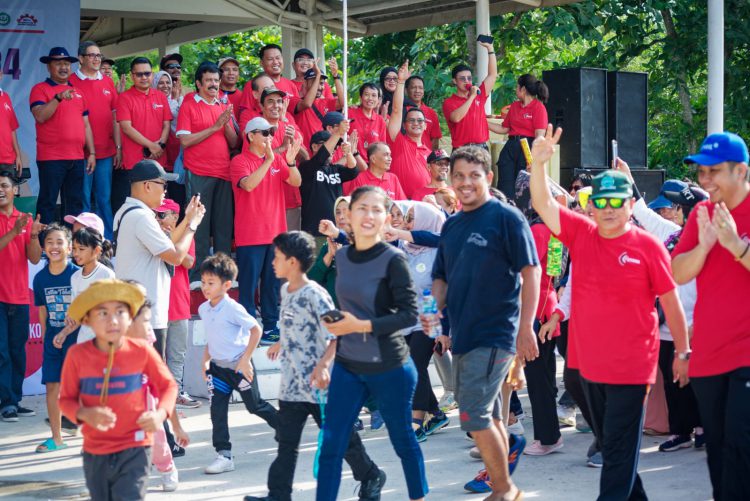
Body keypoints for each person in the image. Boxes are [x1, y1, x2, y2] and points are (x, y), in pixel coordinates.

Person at [530, 125, 690, 501]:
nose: (608, 210)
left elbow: (671, 303)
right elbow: (543, 204)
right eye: (600, 202)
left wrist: (682, 352)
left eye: (617, 202)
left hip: (632, 370)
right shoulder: (581, 234)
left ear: (631, 205)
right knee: (615, 449)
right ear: (590, 205)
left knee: (615, 460)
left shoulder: (648, 247)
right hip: (589, 367)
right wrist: (539, 165)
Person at [429, 146, 538, 500]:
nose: (465, 183)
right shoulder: (454, 225)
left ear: (488, 178)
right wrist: (435, 311)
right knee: (488, 416)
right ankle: (502, 486)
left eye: (474, 175)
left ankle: (505, 489)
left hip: (497, 331)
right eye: (458, 175)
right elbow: (442, 277)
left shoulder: (507, 218)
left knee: (473, 416)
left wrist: (526, 328)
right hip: (463, 333)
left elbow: (531, 272)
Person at [244, 231, 384, 501]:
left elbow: (337, 334)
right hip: (292, 386)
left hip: (319, 387)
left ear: (293, 262)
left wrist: (323, 366)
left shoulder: (315, 295)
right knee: (286, 444)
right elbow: (295, 325)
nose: (272, 262)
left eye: (277, 257)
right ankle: (278, 495)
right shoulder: (286, 290)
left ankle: (371, 475)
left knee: (340, 438)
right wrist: (280, 343)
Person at [316, 185, 425, 501]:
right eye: (361, 208)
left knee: (403, 439)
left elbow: (408, 316)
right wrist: (335, 323)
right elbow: (351, 305)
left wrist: (360, 325)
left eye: (377, 209)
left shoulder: (394, 260)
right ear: (349, 215)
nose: (369, 215)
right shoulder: (345, 256)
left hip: (389, 366)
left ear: (386, 217)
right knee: (332, 444)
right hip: (348, 365)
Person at [671, 132, 750, 500]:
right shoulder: (701, 212)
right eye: (701, 172)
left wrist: (736, 246)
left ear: (741, 172)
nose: (704, 180)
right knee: (717, 449)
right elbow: (678, 272)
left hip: (746, 354)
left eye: (713, 171)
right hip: (709, 355)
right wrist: (704, 246)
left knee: (740, 444)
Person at [59, 279, 178, 501]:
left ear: (130, 316)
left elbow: (168, 386)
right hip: (95, 451)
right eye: (102, 313)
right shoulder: (77, 355)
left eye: (120, 311)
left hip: (136, 447)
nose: (112, 320)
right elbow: (65, 401)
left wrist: (160, 414)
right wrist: (84, 414)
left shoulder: (142, 350)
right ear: (87, 319)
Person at [113, 160, 205, 358]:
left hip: (137, 313)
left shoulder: (128, 212)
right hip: (145, 317)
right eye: (163, 185)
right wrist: (193, 225)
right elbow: (176, 257)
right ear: (147, 186)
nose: (165, 191)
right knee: (149, 383)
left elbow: (167, 243)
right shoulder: (141, 217)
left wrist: (188, 218)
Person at [198, 253, 279, 474]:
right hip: (218, 370)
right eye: (203, 282)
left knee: (255, 406)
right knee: (217, 411)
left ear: (226, 285)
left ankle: (286, 429)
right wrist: (205, 362)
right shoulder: (204, 309)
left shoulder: (233, 308)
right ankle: (224, 455)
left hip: (239, 367)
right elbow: (211, 338)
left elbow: (256, 330)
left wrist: (245, 361)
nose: (205, 287)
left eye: (211, 283)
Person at [230, 117, 302, 345]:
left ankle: (270, 327)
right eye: (265, 133)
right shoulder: (239, 161)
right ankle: (250, 329)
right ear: (250, 136)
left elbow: (297, 182)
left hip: (276, 234)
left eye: (272, 133)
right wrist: (269, 161)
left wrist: (289, 163)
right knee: (249, 285)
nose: (270, 137)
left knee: (271, 285)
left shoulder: (277, 160)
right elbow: (249, 185)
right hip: (250, 236)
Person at [177, 62, 238, 279]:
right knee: (198, 227)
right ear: (198, 83)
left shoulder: (222, 106)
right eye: (209, 80)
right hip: (199, 172)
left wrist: (226, 123)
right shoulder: (189, 105)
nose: (214, 84)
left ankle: (223, 274)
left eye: (216, 80)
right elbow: (184, 140)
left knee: (223, 227)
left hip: (224, 173)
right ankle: (197, 276)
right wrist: (214, 127)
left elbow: (233, 142)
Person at [394, 202, 450, 442]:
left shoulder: (439, 248)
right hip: (406, 317)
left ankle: (416, 421)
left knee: (415, 365)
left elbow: (438, 290)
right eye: (404, 218)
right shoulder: (403, 248)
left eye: (409, 218)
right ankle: (435, 413)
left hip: (429, 317)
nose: (405, 223)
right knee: (407, 366)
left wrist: (442, 330)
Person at [125, 293, 189, 492]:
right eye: (142, 320)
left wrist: (177, 427)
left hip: (147, 405)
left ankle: (167, 468)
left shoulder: (147, 349)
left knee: (158, 441)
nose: (147, 325)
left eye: (147, 320)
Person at [30, 47, 96, 224]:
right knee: (47, 202)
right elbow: (40, 116)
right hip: (51, 157)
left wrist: (92, 153)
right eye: (58, 63)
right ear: (49, 67)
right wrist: (57, 98)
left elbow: (86, 124)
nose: (64, 67)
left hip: (76, 157)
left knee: (75, 204)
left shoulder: (78, 92)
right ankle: (44, 245)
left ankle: (72, 245)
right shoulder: (40, 89)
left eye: (66, 63)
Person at [0, 171, 44, 422]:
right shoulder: (18, 223)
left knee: (17, 351)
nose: (1, 189)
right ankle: (6, 402)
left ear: (14, 190)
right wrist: (13, 231)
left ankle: (14, 400)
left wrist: (34, 235)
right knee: (2, 353)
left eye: (5, 185)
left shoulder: (25, 220)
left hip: (18, 298)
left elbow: (35, 258)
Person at [33, 224, 79, 453]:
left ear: (70, 248)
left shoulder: (77, 275)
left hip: (77, 339)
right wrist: (46, 335)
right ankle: (57, 437)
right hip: (53, 340)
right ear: (43, 247)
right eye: (50, 242)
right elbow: (42, 310)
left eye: (60, 242)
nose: (55, 247)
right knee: (53, 386)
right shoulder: (40, 279)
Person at [70, 41, 120, 240]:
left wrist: (119, 147)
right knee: (82, 199)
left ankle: (106, 240)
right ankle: (82, 240)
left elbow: (115, 116)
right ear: (81, 58)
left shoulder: (107, 81)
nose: (96, 59)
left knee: (104, 199)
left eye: (98, 55)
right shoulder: (72, 81)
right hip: (80, 152)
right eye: (91, 55)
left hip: (106, 151)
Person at [154, 199, 200, 409]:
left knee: (177, 354)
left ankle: (176, 392)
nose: (159, 219)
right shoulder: (151, 234)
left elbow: (189, 262)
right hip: (156, 305)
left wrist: (171, 244)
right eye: (157, 215)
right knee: (156, 354)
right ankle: (158, 395)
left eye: (163, 215)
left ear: (175, 216)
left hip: (178, 303)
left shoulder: (186, 235)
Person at [115, 57, 172, 213]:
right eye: (139, 74)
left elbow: (166, 124)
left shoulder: (160, 96)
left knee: (160, 209)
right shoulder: (125, 98)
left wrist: (160, 145)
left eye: (147, 73)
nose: (144, 77)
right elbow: (126, 127)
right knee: (136, 209)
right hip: (134, 162)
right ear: (132, 76)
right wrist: (151, 145)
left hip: (158, 160)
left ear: (152, 75)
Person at [53, 225, 115, 347]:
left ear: (96, 250)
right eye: (74, 248)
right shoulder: (75, 278)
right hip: (84, 343)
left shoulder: (106, 275)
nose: (76, 253)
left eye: (81, 249)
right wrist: (63, 333)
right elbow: (75, 317)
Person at [490, 74, 549, 200]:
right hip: (511, 146)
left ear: (523, 89)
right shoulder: (514, 106)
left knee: (522, 185)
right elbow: (504, 128)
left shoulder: (539, 108)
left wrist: (533, 158)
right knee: (504, 186)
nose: (515, 90)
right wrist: (483, 122)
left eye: (517, 87)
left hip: (527, 147)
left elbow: (539, 136)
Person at [299, 127, 359, 247]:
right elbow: (320, 157)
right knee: (318, 265)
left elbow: (353, 171)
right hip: (315, 232)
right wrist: (338, 133)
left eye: (335, 147)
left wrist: (348, 154)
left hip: (336, 231)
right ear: (315, 147)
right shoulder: (306, 167)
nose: (333, 150)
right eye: (329, 145)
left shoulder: (336, 169)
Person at [386, 61, 431, 200]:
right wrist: (400, 82)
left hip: (424, 205)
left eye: (420, 121)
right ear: (404, 125)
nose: (416, 123)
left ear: (425, 126)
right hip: (400, 204)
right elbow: (396, 111)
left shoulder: (430, 154)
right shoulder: (398, 141)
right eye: (411, 120)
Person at [442, 39, 497, 149]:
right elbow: (456, 118)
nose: (467, 81)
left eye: (469, 78)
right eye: (462, 78)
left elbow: (492, 75)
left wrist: (490, 49)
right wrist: (472, 97)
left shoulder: (479, 95)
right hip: (462, 149)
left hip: (481, 147)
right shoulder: (449, 102)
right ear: (454, 81)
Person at [292, 60, 344, 147]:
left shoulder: (325, 102)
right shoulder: (296, 101)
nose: (319, 87)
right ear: (305, 83)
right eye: (315, 82)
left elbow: (343, 102)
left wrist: (336, 76)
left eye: (322, 83)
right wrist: (318, 75)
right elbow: (307, 104)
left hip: (323, 154)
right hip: (306, 156)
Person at [309, 196, 350, 304]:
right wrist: (329, 255)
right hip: (329, 314)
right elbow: (310, 281)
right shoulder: (329, 243)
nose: (341, 217)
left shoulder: (363, 245)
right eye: (337, 212)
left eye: (346, 212)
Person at [348, 83, 387, 163]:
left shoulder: (380, 120)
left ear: (378, 100)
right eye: (366, 94)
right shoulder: (349, 114)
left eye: (373, 95)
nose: (370, 98)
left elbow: (382, 146)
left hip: (372, 165)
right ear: (360, 97)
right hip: (351, 163)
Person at [405, 75, 442, 151]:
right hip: (406, 155)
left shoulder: (431, 113)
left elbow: (435, 140)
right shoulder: (402, 111)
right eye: (413, 87)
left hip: (426, 157)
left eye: (420, 88)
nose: (417, 91)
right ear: (406, 90)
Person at [0, 71, 23, 176]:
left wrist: (18, 155)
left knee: (7, 192)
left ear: (0, 74)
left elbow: (12, 128)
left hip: (7, 161)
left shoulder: (5, 97)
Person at [218, 57, 243, 122]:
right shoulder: (211, 95)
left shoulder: (243, 97)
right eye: (226, 69)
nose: (231, 73)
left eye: (235, 70)